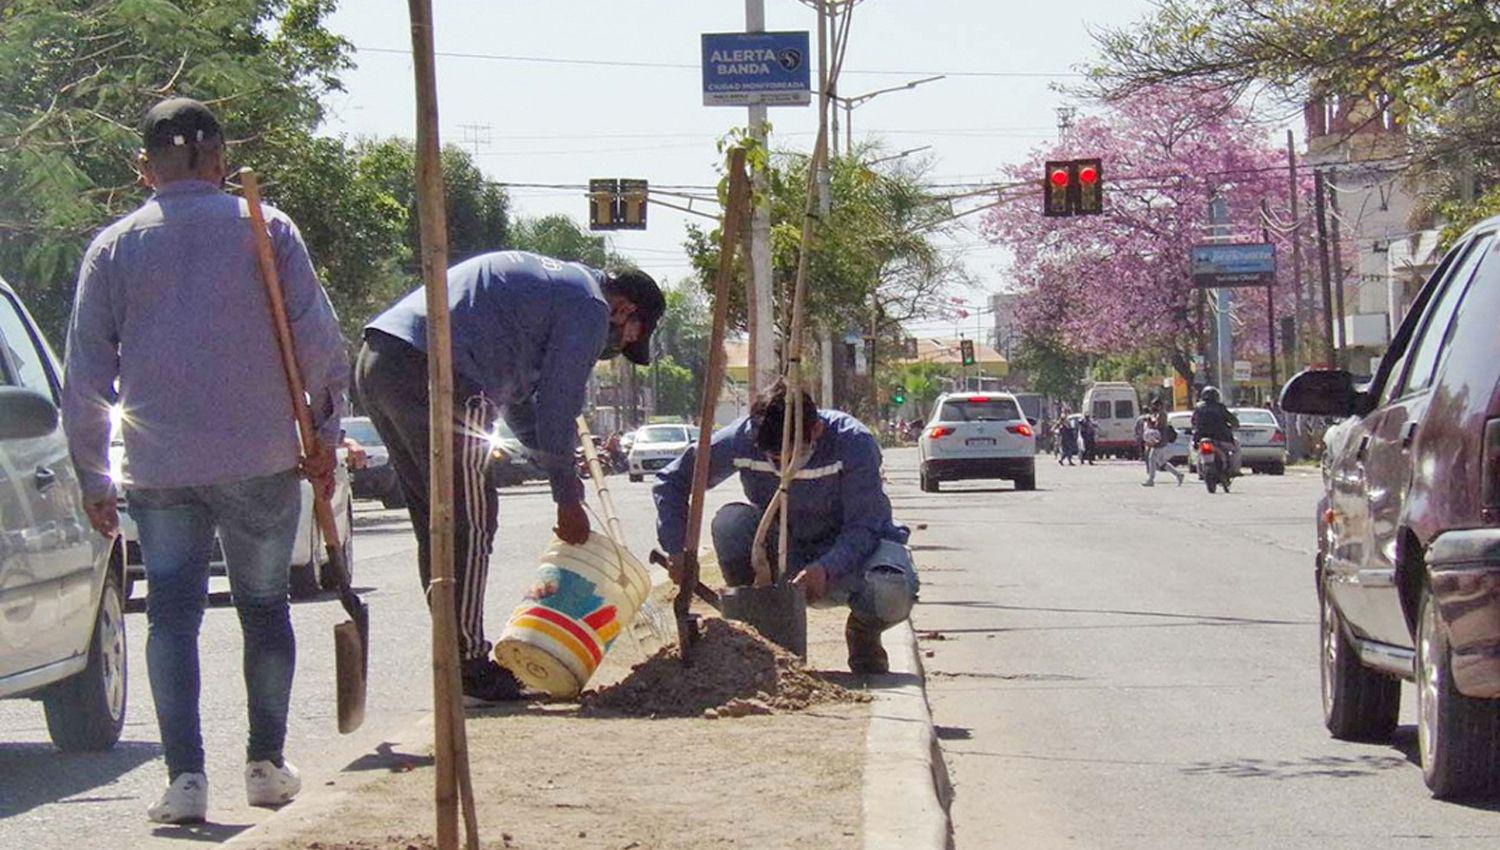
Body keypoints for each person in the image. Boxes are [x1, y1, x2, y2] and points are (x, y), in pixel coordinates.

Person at [62, 98, 347, 824]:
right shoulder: (266, 228)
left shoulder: (114, 246)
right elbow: (319, 344)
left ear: (142, 169)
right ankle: (265, 764)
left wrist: (94, 475)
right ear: (220, 160)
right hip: (260, 456)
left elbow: (86, 374)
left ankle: (185, 779)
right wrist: (322, 431)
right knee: (263, 607)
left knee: (171, 617)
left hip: (160, 467)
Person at [356, 251, 664, 704]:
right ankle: (467, 667)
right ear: (624, 310)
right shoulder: (590, 306)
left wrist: (554, 464)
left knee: (437, 523)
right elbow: (559, 407)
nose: (613, 347)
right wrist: (567, 498)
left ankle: (453, 657)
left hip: (381, 360)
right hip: (439, 372)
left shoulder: (553, 288)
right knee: (469, 520)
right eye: (627, 338)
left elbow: (523, 409)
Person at [653, 383, 918, 674]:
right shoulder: (741, 440)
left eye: (789, 454)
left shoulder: (852, 442)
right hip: (784, 552)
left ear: (816, 430)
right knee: (731, 524)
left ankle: (863, 635)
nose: (780, 465)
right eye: (771, 458)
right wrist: (677, 550)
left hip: (850, 559)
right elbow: (672, 481)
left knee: (892, 587)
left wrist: (826, 568)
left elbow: (865, 525)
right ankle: (758, 633)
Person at [1191, 385, 1241, 474]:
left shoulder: (1198, 408)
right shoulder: (1220, 407)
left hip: (1201, 437)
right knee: (1236, 446)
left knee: (1196, 452)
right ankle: (1235, 470)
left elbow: (1193, 422)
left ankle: (1199, 471)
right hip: (1221, 438)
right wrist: (1235, 425)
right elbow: (1233, 420)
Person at [1141, 404, 1185, 486]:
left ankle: (1151, 480)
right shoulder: (1161, 414)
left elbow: (1158, 426)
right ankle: (1178, 475)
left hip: (1159, 440)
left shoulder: (1162, 414)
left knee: (1152, 459)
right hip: (1161, 439)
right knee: (1162, 462)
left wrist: (1150, 422)